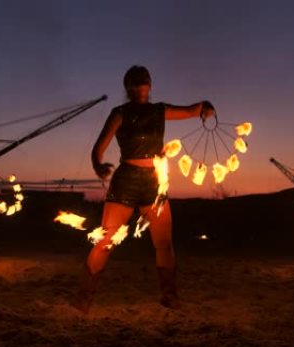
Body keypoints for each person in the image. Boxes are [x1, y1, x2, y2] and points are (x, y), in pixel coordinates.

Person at [72, 65, 215, 313]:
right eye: (135, 84)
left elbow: (192, 110)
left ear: (149, 86)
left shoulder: (159, 111)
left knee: (164, 244)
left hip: (154, 183)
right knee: (105, 240)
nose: (140, 87)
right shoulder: (119, 113)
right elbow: (98, 148)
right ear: (128, 88)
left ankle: (169, 297)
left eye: (144, 83)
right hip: (126, 180)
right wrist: (97, 165)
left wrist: (205, 106)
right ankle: (84, 298)